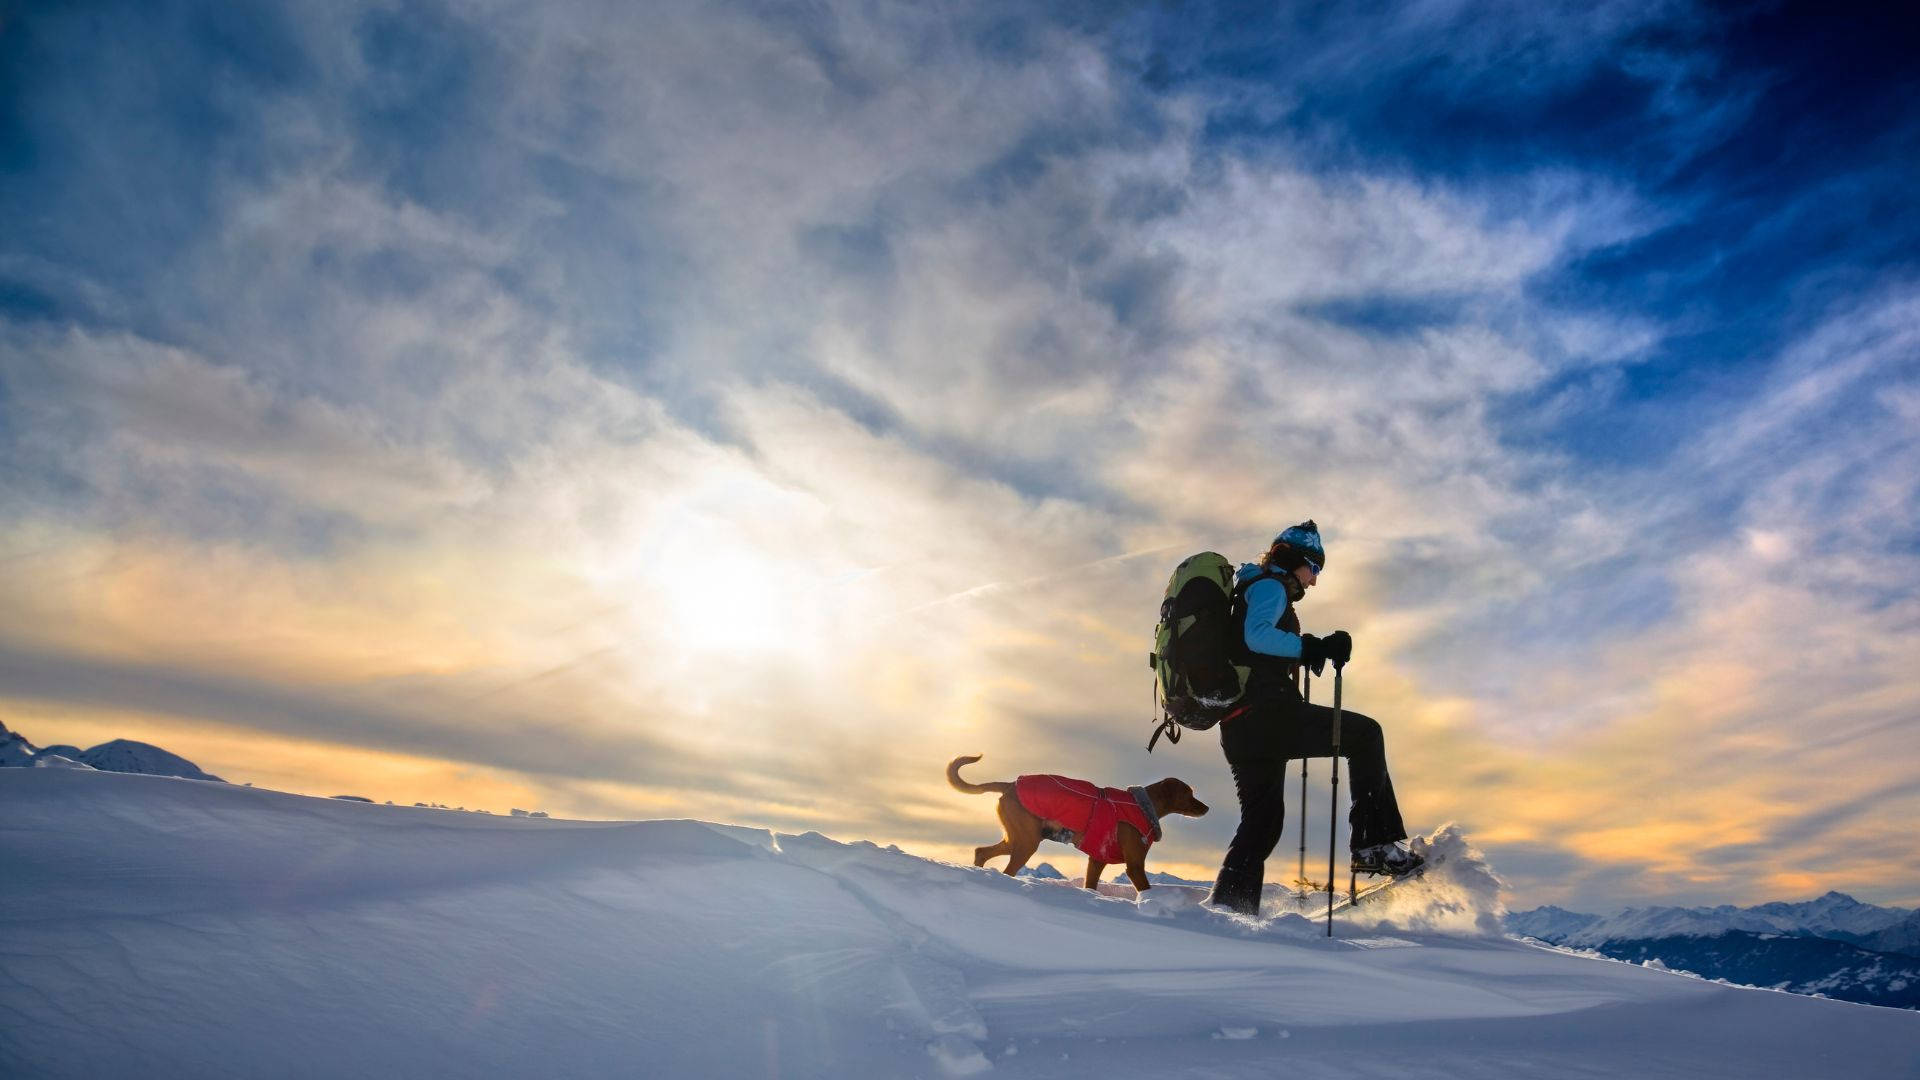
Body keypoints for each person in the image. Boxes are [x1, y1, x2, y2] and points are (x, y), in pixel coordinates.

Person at [1207, 520, 1422, 917]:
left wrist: (1309, 649)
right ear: (1296, 561)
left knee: (1263, 822)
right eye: (1315, 569)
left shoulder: (1249, 589)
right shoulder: (1270, 587)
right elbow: (1258, 636)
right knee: (1365, 734)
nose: (1315, 581)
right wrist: (1313, 646)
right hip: (1268, 716)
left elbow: (1253, 644)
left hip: (1239, 727)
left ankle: (1229, 910)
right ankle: (1375, 846)